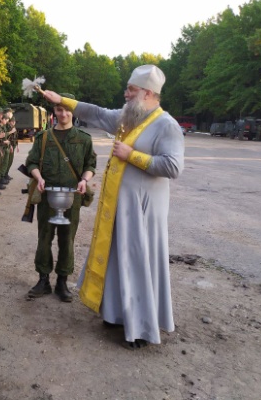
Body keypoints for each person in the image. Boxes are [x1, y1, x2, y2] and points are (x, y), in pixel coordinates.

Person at [42, 64, 185, 348]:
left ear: (147, 93)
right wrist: (62, 100)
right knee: (117, 259)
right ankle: (115, 314)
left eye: (131, 89)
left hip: (142, 212)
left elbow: (173, 166)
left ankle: (140, 328)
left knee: (137, 263)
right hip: (120, 207)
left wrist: (132, 155)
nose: (125, 93)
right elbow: (96, 113)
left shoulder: (167, 125)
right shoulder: (127, 117)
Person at [25, 94, 96, 302]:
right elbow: (31, 162)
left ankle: (62, 282)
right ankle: (43, 280)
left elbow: (90, 165)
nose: (63, 114)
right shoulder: (43, 138)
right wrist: (38, 177)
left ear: (73, 112)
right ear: (54, 111)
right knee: (44, 238)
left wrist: (84, 180)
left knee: (67, 239)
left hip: (72, 198)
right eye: (59, 109)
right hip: (47, 197)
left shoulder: (83, 139)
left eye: (67, 110)